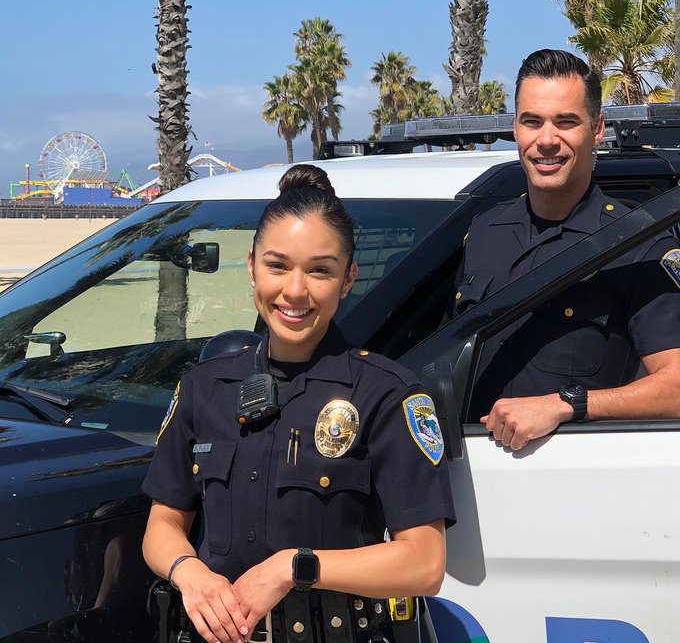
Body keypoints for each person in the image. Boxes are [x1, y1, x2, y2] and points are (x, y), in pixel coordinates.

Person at [142, 164, 456, 643]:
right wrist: (189, 573)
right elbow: (163, 523)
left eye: (319, 270)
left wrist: (294, 567)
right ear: (251, 266)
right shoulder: (204, 387)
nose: (294, 290)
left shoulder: (387, 395)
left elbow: (424, 564)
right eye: (277, 265)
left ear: (348, 278)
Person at [453, 48, 680, 451]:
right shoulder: (484, 231)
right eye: (532, 121)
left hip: (574, 478)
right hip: (469, 474)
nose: (546, 140)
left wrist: (568, 405)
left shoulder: (638, 245)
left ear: (596, 129)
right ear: (515, 127)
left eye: (565, 122)